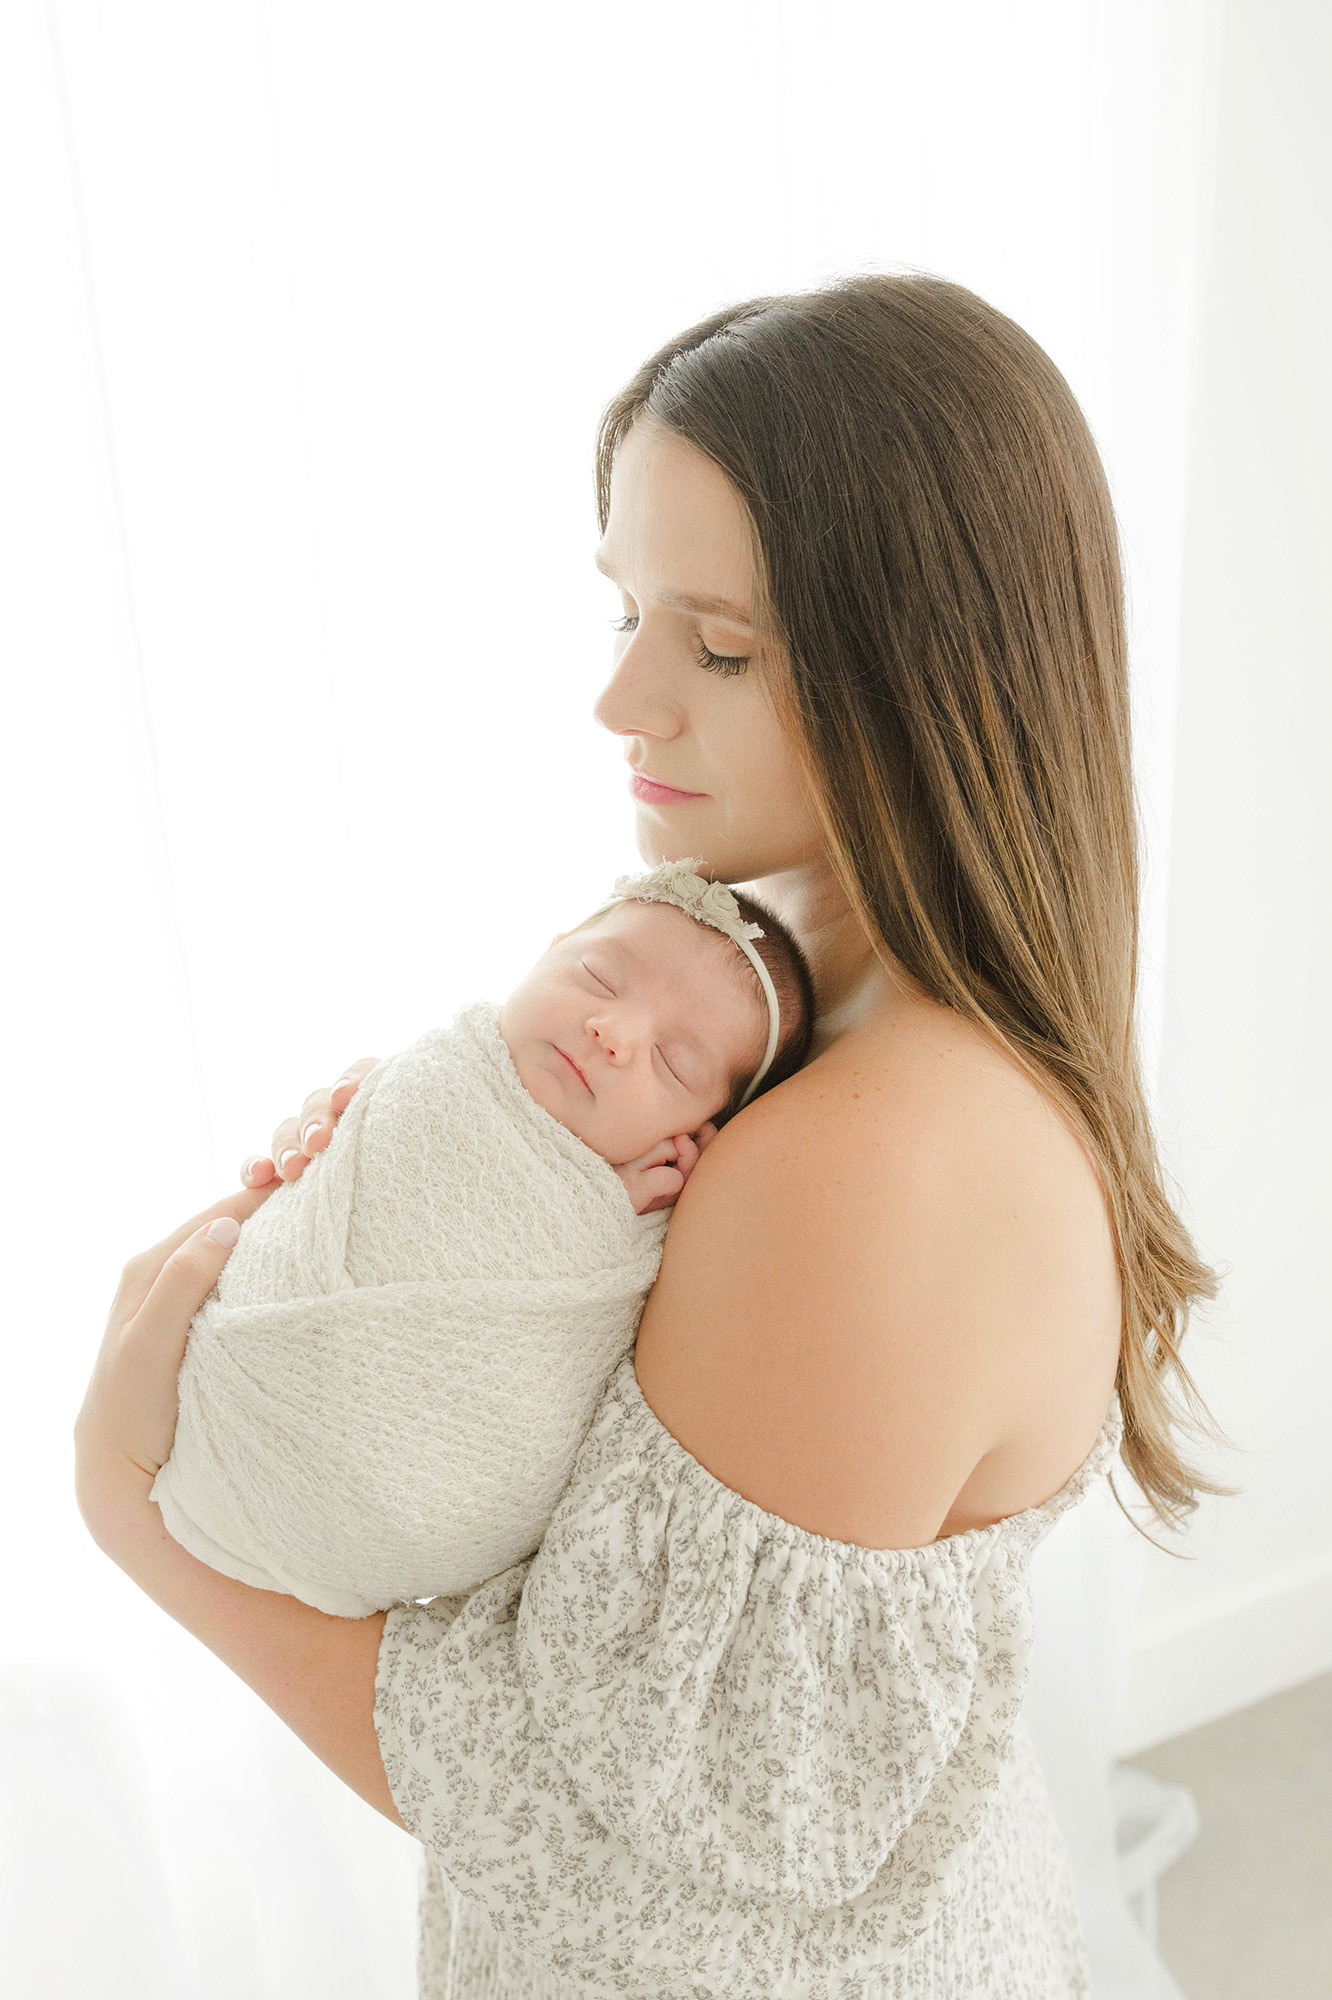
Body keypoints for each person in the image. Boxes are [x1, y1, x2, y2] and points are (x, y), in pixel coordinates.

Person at [75, 272, 1220, 1997]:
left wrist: (130, 1502)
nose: (622, 702)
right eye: (620, 611)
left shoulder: (864, 1159)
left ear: (935, 671)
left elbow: (612, 1865)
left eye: (719, 647)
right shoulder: (781, 1003)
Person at [149, 863, 814, 1619]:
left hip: (400, 1511)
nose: (614, 1032)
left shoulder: (659, 1232)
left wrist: (597, 1220)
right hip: (226, 1396)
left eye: (673, 1061)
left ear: (692, 1138)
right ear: (549, 949)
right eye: (598, 977)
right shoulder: (438, 1072)